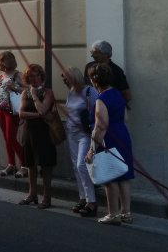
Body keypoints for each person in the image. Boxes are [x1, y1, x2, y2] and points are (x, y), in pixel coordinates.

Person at [87, 63, 134, 225]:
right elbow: (125, 117)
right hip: (122, 134)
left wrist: (92, 150)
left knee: (110, 177)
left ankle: (113, 214)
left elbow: (100, 126)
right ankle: (126, 213)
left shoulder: (102, 99)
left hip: (109, 139)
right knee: (124, 176)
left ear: (94, 80)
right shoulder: (117, 94)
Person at [18, 63, 56, 209]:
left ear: (41, 76)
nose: (33, 79)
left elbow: (43, 109)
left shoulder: (48, 92)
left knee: (46, 166)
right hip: (29, 133)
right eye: (30, 76)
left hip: (44, 133)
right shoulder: (24, 93)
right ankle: (32, 194)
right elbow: (21, 113)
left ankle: (47, 197)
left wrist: (34, 95)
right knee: (30, 165)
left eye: (36, 75)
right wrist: (38, 115)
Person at [62, 66, 98, 217]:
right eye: (63, 77)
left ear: (74, 77)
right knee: (76, 168)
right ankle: (82, 198)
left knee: (81, 165)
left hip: (85, 134)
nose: (63, 80)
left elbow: (98, 111)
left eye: (66, 77)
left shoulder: (89, 91)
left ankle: (92, 201)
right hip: (71, 133)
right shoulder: (70, 92)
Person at [0, 51, 27, 178]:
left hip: (12, 111)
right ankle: (11, 164)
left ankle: (25, 165)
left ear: (6, 62)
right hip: (1, 110)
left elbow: (28, 90)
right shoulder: (0, 77)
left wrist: (15, 86)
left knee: (11, 138)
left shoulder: (18, 75)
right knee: (6, 139)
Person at [84, 40, 131, 108]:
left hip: (108, 109)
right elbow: (85, 88)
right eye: (91, 52)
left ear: (106, 54)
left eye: (95, 52)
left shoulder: (117, 71)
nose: (92, 55)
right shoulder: (89, 67)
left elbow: (127, 96)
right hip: (91, 109)